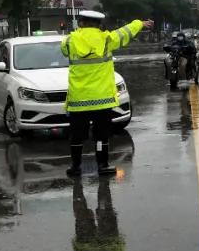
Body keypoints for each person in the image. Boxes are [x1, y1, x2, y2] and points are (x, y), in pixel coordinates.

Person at [60, 10, 153, 177]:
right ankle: (102, 166)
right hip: (102, 100)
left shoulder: (69, 41)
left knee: (77, 136)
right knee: (101, 135)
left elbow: (64, 51)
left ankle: (75, 167)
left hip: (78, 99)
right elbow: (125, 32)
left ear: (81, 23)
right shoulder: (107, 39)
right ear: (99, 25)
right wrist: (139, 23)